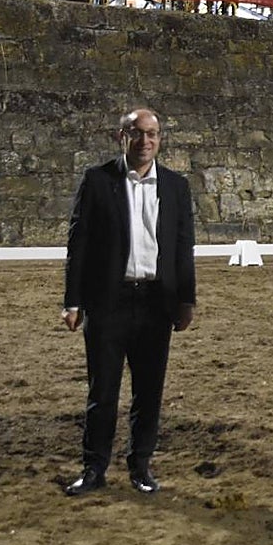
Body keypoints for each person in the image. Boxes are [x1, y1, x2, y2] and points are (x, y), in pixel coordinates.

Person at [61, 108, 196, 496]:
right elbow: (79, 244)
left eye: (152, 134)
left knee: (148, 392)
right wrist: (72, 301)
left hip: (156, 302)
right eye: (137, 133)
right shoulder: (97, 181)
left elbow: (183, 246)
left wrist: (186, 299)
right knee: (102, 392)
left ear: (160, 139)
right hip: (108, 301)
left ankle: (141, 467)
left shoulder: (176, 186)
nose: (145, 141)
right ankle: (94, 469)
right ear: (121, 136)